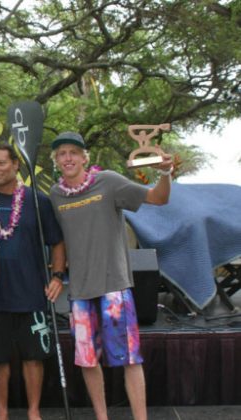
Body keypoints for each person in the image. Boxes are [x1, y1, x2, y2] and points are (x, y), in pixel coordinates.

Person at [49, 131, 173, 420]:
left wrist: (165, 172)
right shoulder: (55, 195)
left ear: (84, 157)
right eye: (62, 154)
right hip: (79, 292)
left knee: (130, 359)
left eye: (73, 152)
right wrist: (57, 275)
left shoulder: (109, 181)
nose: (68, 158)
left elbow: (158, 198)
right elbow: (60, 242)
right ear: (57, 161)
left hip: (114, 287)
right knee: (88, 361)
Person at [0, 142, 66, 420]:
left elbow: (57, 243)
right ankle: (1, 412)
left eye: (1, 163)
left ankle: (33, 411)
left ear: (16, 165)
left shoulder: (39, 201)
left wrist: (58, 277)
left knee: (33, 358)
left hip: (32, 293)